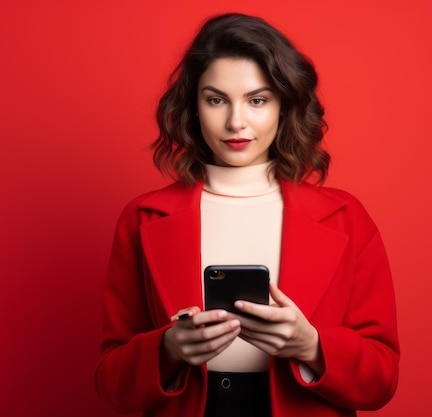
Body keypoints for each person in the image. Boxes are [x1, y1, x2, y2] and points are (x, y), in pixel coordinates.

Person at [95, 13, 399, 417]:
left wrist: (311, 345)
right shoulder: (143, 218)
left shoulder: (346, 217)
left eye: (257, 100)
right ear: (194, 107)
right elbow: (111, 386)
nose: (236, 122)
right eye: (216, 99)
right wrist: (167, 349)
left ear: (283, 106)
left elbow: (382, 379)